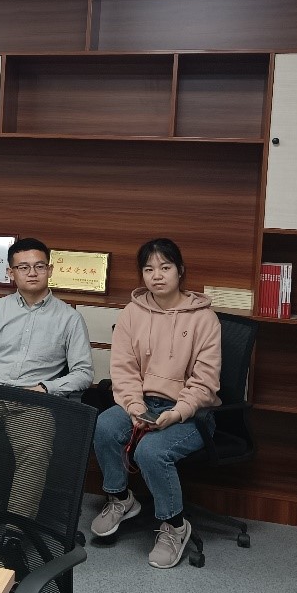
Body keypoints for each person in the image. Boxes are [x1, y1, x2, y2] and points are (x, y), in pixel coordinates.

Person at [0, 237, 93, 573]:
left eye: (39, 266)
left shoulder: (69, 318)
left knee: (35, 452)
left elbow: (84, 373)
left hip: (32, 400)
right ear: (10, 272)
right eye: (23, 267)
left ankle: (13, 533)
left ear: (50, 270)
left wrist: (47, 388)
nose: (32, 272)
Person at [90, 238, 222, 569]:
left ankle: (175, 525)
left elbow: (205, 382)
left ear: (180, 271)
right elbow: (123, 370)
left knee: (150, 451)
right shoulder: (132, 313)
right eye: (149, 269)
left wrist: (176, 413)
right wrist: (134, 407)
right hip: (142, 403)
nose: (157, 275)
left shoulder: (204, 319)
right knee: (104, 425)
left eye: (165, 267)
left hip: (191, 413)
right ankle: (121, 498)